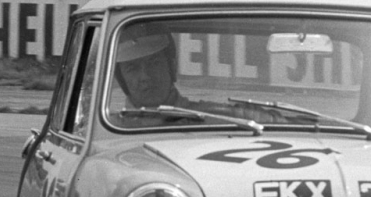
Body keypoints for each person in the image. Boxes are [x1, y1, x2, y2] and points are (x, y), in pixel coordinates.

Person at [113, 23, 281, 124]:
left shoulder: (223, 117)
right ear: (121, 78)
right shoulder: (110, 128)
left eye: (154, 63)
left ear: (171, 66)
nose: (145, 76)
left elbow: (275, 122)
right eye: (132, 68)